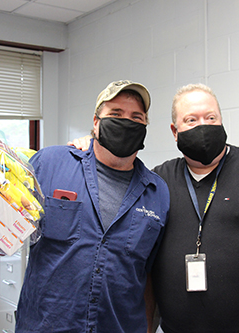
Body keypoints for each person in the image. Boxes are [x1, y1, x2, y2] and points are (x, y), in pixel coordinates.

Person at [70, 83, 239, 333]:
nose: (202, 126)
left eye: (210, 118)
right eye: (191, 120)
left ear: (222, 122)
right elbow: (141, 256)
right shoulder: (158, 182)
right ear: (175, 131)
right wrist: (90, 144)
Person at [15, 80, 170, 333]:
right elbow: (0, 229)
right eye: (115, 114)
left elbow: (147, 276)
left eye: (136, 117)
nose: (126, 122)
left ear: (145, 128)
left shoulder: (157, 192)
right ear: (96, 123)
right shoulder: (50, 164)